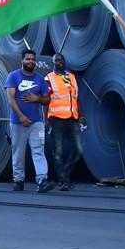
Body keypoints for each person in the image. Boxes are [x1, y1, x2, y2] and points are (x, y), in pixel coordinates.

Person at [6, 48, 53, 193]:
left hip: (36, 122)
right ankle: (18, 180)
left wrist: (36, 98)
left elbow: (47, 99)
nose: (31, 61)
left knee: (38, 150)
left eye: (33, 59)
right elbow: (11, 99)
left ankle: (42, 180)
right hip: (18, 122)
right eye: (28, 59)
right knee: (18, 152)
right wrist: (21, 116)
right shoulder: (13, 76)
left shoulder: (40, 78)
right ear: (22, 60)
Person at [46, 53, 83, 191]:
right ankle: (63, 180)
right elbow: (45, 99)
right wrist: (46, 119)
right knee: (58, 152)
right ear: (53, 63)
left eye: (61, 60)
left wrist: (82, 116)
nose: (60, 62)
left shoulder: (72, 77)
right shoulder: (49, 78)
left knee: (78, 149)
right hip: (57, 119)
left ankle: (65, 175)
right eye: (57, 60)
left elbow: (76, 97)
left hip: (73, 118)